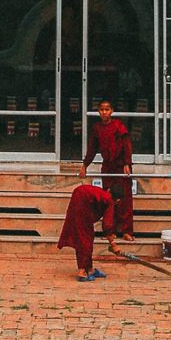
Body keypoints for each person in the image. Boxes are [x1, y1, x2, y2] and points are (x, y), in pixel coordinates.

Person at [84, 99, 134, 251]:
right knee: (108, 198)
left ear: (111, 111)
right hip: (107, 167)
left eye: (107, 109)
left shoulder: (119, 126)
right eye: (101, 110)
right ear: (98, 112)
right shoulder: (97, 128)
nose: (104, 112)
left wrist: (127, 164)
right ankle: (109, 231)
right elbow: (92, 148)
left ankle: (126, 230)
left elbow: (127, 146)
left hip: (120, 166)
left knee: (124, 198)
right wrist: (85, 165)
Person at [58, 179, 115, 280]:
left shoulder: (103, 193)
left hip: (78, 196)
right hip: (83, 205)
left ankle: (89, 268)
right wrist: (113, 244)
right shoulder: (110, 200)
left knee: (85, 236)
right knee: (84, 239)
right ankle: (82, 271)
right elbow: (107, 224)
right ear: (118, 200)